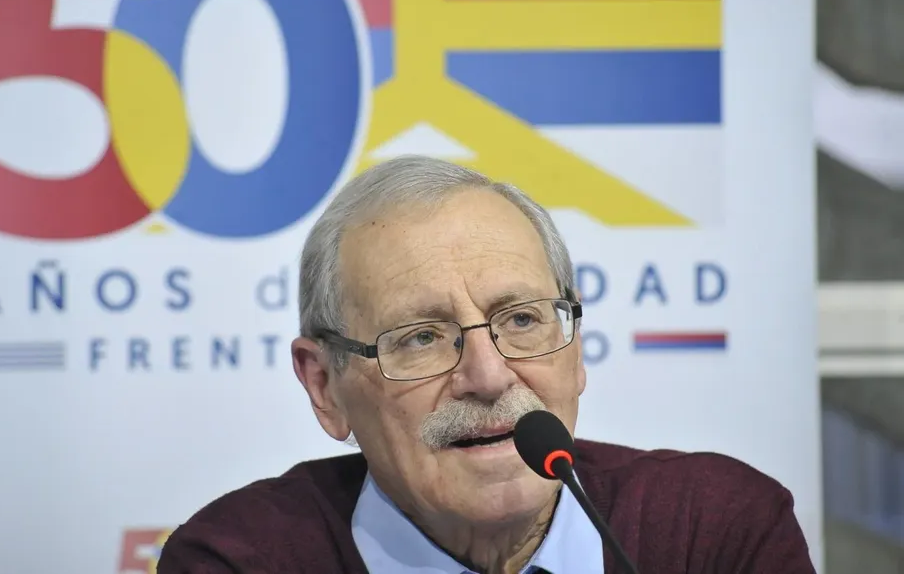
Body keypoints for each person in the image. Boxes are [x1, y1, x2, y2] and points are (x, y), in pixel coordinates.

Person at [157, 156, 816, 574]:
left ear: (576, 350)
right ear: (325, 386)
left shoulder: (716, 531)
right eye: (419, 337)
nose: (489, 374)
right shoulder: (243, 558)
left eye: (523, 320)